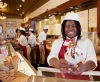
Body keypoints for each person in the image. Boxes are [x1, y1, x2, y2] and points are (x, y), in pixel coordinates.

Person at [47, 12, 97, 80]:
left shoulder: (86, 42)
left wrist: (83, 67)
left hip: (82, 79)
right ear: (64, 28)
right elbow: (51, 57)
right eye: (67, 26)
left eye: (73, 26)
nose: (70, 28)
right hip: (62, 79)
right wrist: (57, 63)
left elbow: (93, 61)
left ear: (78, 28)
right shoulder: (57, 42)